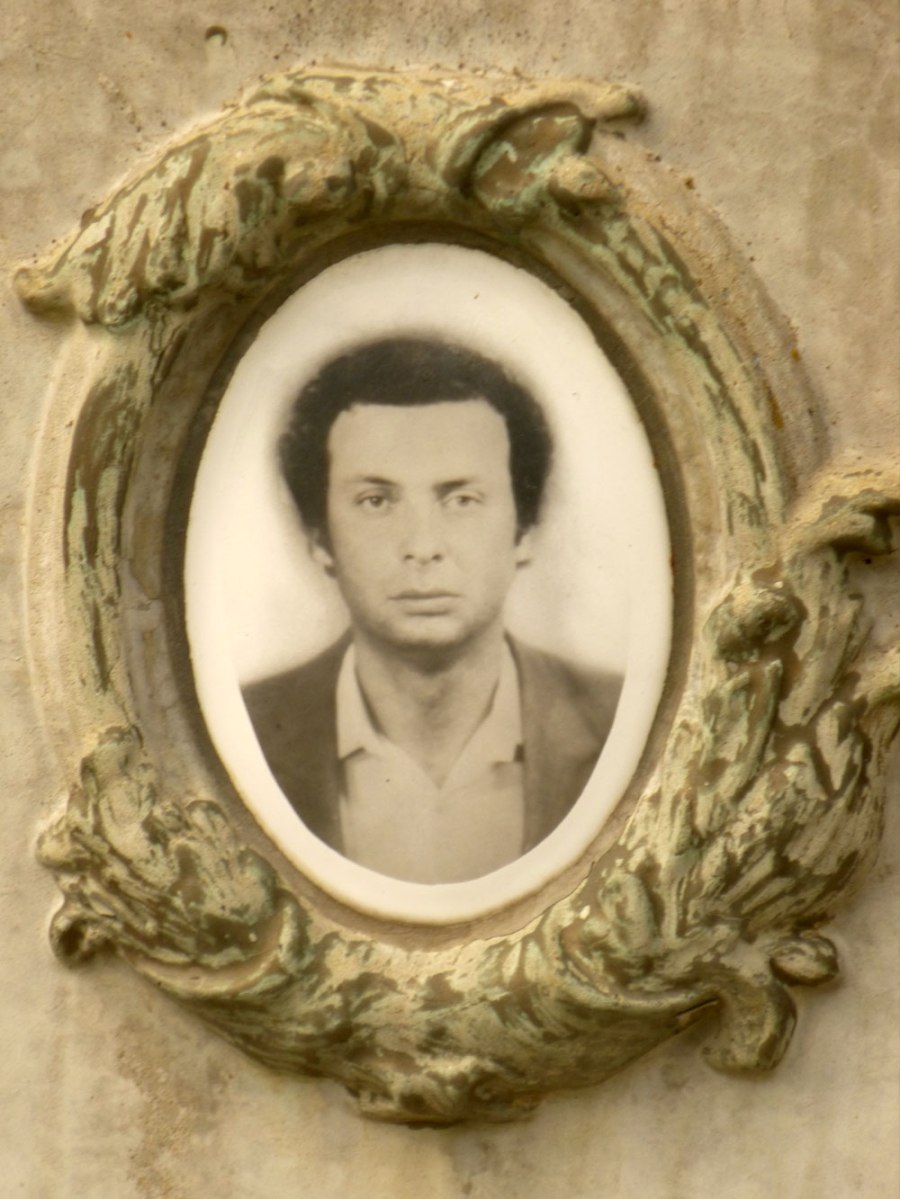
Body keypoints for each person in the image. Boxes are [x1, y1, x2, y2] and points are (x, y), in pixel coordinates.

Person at [242, 336, 622, 884]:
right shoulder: (242, 733)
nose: (422, 546)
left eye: (461, 500)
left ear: (525, 531)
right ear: (320, 538)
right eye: (377, 501)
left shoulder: (623, 723)